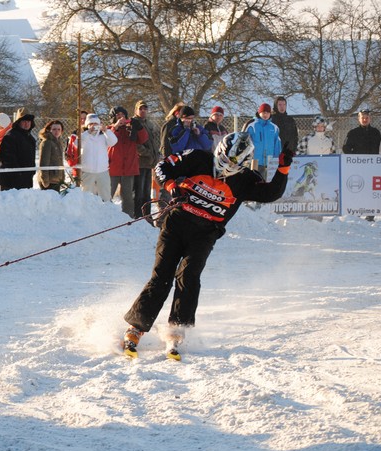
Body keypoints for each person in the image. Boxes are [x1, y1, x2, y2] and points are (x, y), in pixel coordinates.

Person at [121, 132, 292, 359]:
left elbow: (271, 194)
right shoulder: (197, 157)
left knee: (189, 276)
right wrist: (172, 183)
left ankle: (177, 330)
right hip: (176, 224)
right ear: (219, 150)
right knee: (162, 275)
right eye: (225, 158)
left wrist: (283, 168)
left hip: (205, 233)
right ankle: (136, 327)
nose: (228, 165)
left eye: (234, 162)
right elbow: (162, 166)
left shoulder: (245, 179)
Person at [108, 105, 149, 218]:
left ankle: (128, 217)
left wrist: (139, 127)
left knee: (127, 197)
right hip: (113, 168)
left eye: (123, 115)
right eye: (118, 115)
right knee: (108, 194)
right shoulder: (109, 129)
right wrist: (116, 126)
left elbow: (144, 139)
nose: (121, 117)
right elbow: (109, 139)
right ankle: (106, 216)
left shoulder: (131, 129)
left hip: (129, 168)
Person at [79, 113, 118, 201]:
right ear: (87, 125)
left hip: (103, 170)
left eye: (96, 124)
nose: (93, 126)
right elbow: (77, 145)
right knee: (86, 194)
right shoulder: (84, 135)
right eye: (91, 124)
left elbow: (113, 142)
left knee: (105, 194)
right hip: (87, 171)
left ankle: (107, 210)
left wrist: (106, 131)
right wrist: (88, 133)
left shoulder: (103, 136)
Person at [0, 109, 37, 191]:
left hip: (26, 180)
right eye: (24, 121)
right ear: (19, 122)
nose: (27, 124)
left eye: (29, 121)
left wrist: (31, 172)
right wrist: (19, 174)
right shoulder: (10, 136)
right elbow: (7, 158)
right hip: (11, 182)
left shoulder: (30, 138)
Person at [133, 100, 161, 218]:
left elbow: (154, 141)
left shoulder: (149, 123)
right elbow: (134, 144)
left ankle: (147, 215)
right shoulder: (134, 123)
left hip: (149, 163)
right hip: (139, 162)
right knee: (138, 191)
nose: (143, 111)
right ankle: (138, 215)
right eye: (141, 109)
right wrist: (147, 153)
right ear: (136, 110)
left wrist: (155, 153)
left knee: (146, 192)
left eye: (145, 109)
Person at [245, 103, 282, 177]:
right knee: (253, 181)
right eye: (263, 112)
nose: (265, 115)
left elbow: (277, 145)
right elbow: (246, 142)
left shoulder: (274, 128)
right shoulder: (252, 126)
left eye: (268, 113)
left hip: (269, 161)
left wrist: (276, 159)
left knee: (266, 183)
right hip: (254, 161)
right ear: (259, 113)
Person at [37, 119, 65, 191]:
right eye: (54, 129)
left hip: (56, 179)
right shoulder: (47, 142)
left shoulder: (58, 143)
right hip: (49, 181)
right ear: (49, 130)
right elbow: (43, 162)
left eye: (59, 129)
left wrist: (62, 177)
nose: (57, 131)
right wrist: (45, 181)